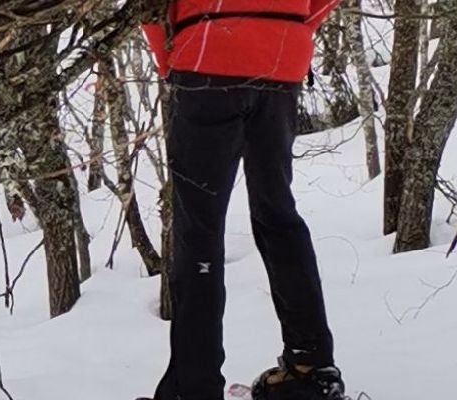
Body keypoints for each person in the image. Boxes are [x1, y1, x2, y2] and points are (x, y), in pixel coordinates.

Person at [133, 0, 346, 399]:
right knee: (278, 215)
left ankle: (193, 388)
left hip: (206, 54)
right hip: (282, 61)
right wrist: (290, 29)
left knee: (199, 229)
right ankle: (312, 367)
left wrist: (172, 57)